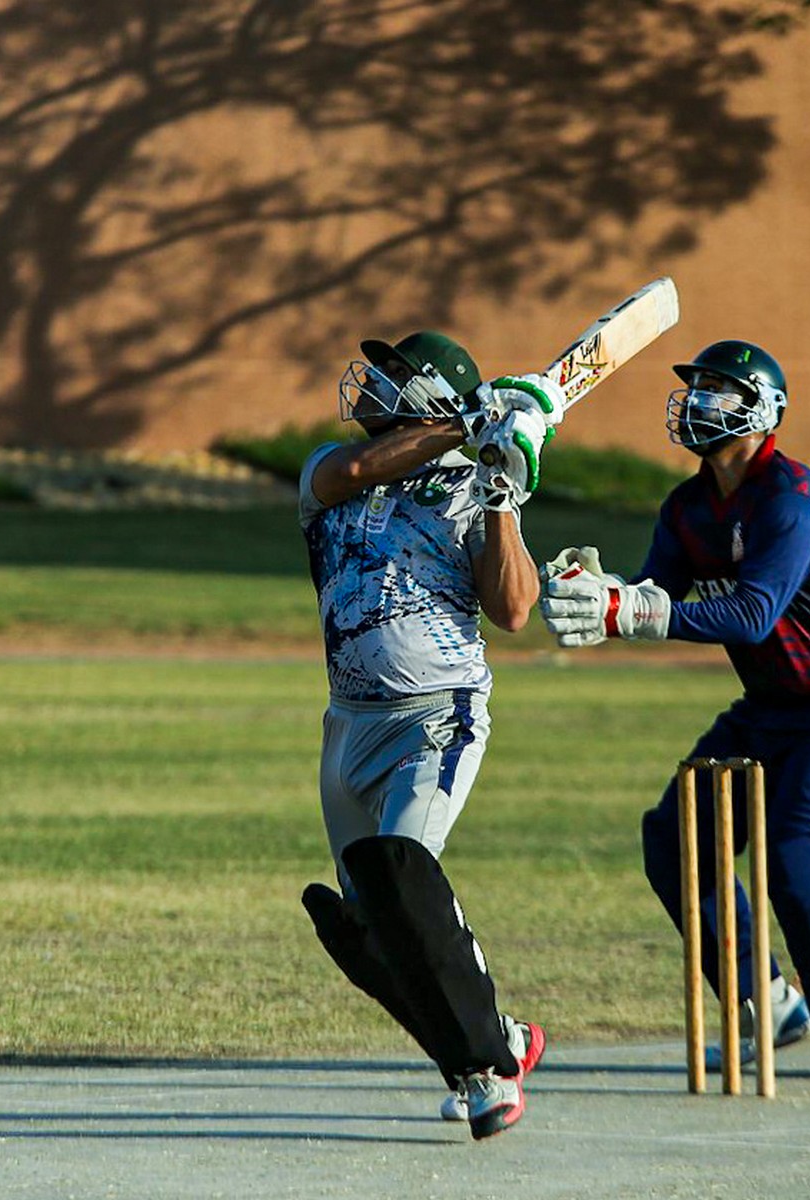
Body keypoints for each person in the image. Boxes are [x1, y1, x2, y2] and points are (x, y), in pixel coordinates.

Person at [539, 339, 810, 1079]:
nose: (698, 402)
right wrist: (600, 590)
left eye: (719, 389)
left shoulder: (790, 499)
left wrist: (630, 613)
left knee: (795, 851)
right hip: (770, 704)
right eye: (696, 388)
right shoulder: (688, 507)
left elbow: (751, 615)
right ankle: (767, 1005)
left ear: (764, 410)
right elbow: (655, 594)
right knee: (674, 839)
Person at [297, 329, 562, 1138]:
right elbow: (353, 473)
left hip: (435, 714)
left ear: (429, 393)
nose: (372, 382)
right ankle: (501, 1039)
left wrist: (503, 495)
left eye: (393, 374)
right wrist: (470, 424)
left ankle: (487, 1075)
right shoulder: (330, 470)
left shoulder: (472, 488)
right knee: (368, 929)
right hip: (349, 723)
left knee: (405, 881)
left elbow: (513, 609)